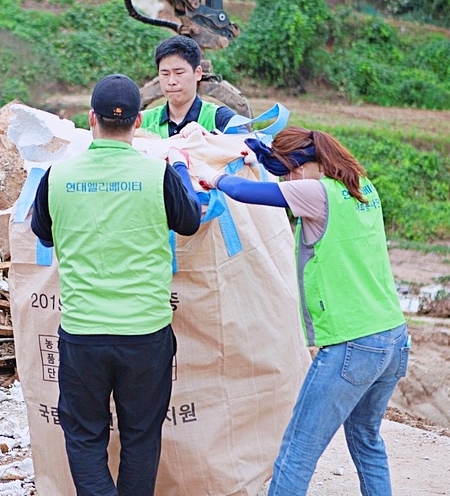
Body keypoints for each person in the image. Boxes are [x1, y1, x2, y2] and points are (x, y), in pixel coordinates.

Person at [199, 127, 408, 495]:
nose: (291, 180)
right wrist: (257, 155)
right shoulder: (361, 186)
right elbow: (282, 173)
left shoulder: (315, 191)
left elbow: (244, 191)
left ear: (309, 163)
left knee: (297, 451)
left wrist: (212, 177)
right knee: (366, 439)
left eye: (292, 170)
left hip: (352, 344)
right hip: (393, 337)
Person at [30, 74, 201, 496]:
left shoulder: (56, 176)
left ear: (92, 119)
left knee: (85, 437)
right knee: (141, 436)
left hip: (84, 333)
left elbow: (43, 234)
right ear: (138, 122)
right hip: (146, 333)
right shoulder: (155, 175)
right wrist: (179, 166)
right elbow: (190, 222)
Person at [139, 36, 235, 137]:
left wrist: (209, 137)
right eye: (165, 74)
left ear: (198, 73)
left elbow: (247, 146)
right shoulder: (142, 122)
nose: (171, 81)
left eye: (179, 73)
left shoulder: (220, 118)